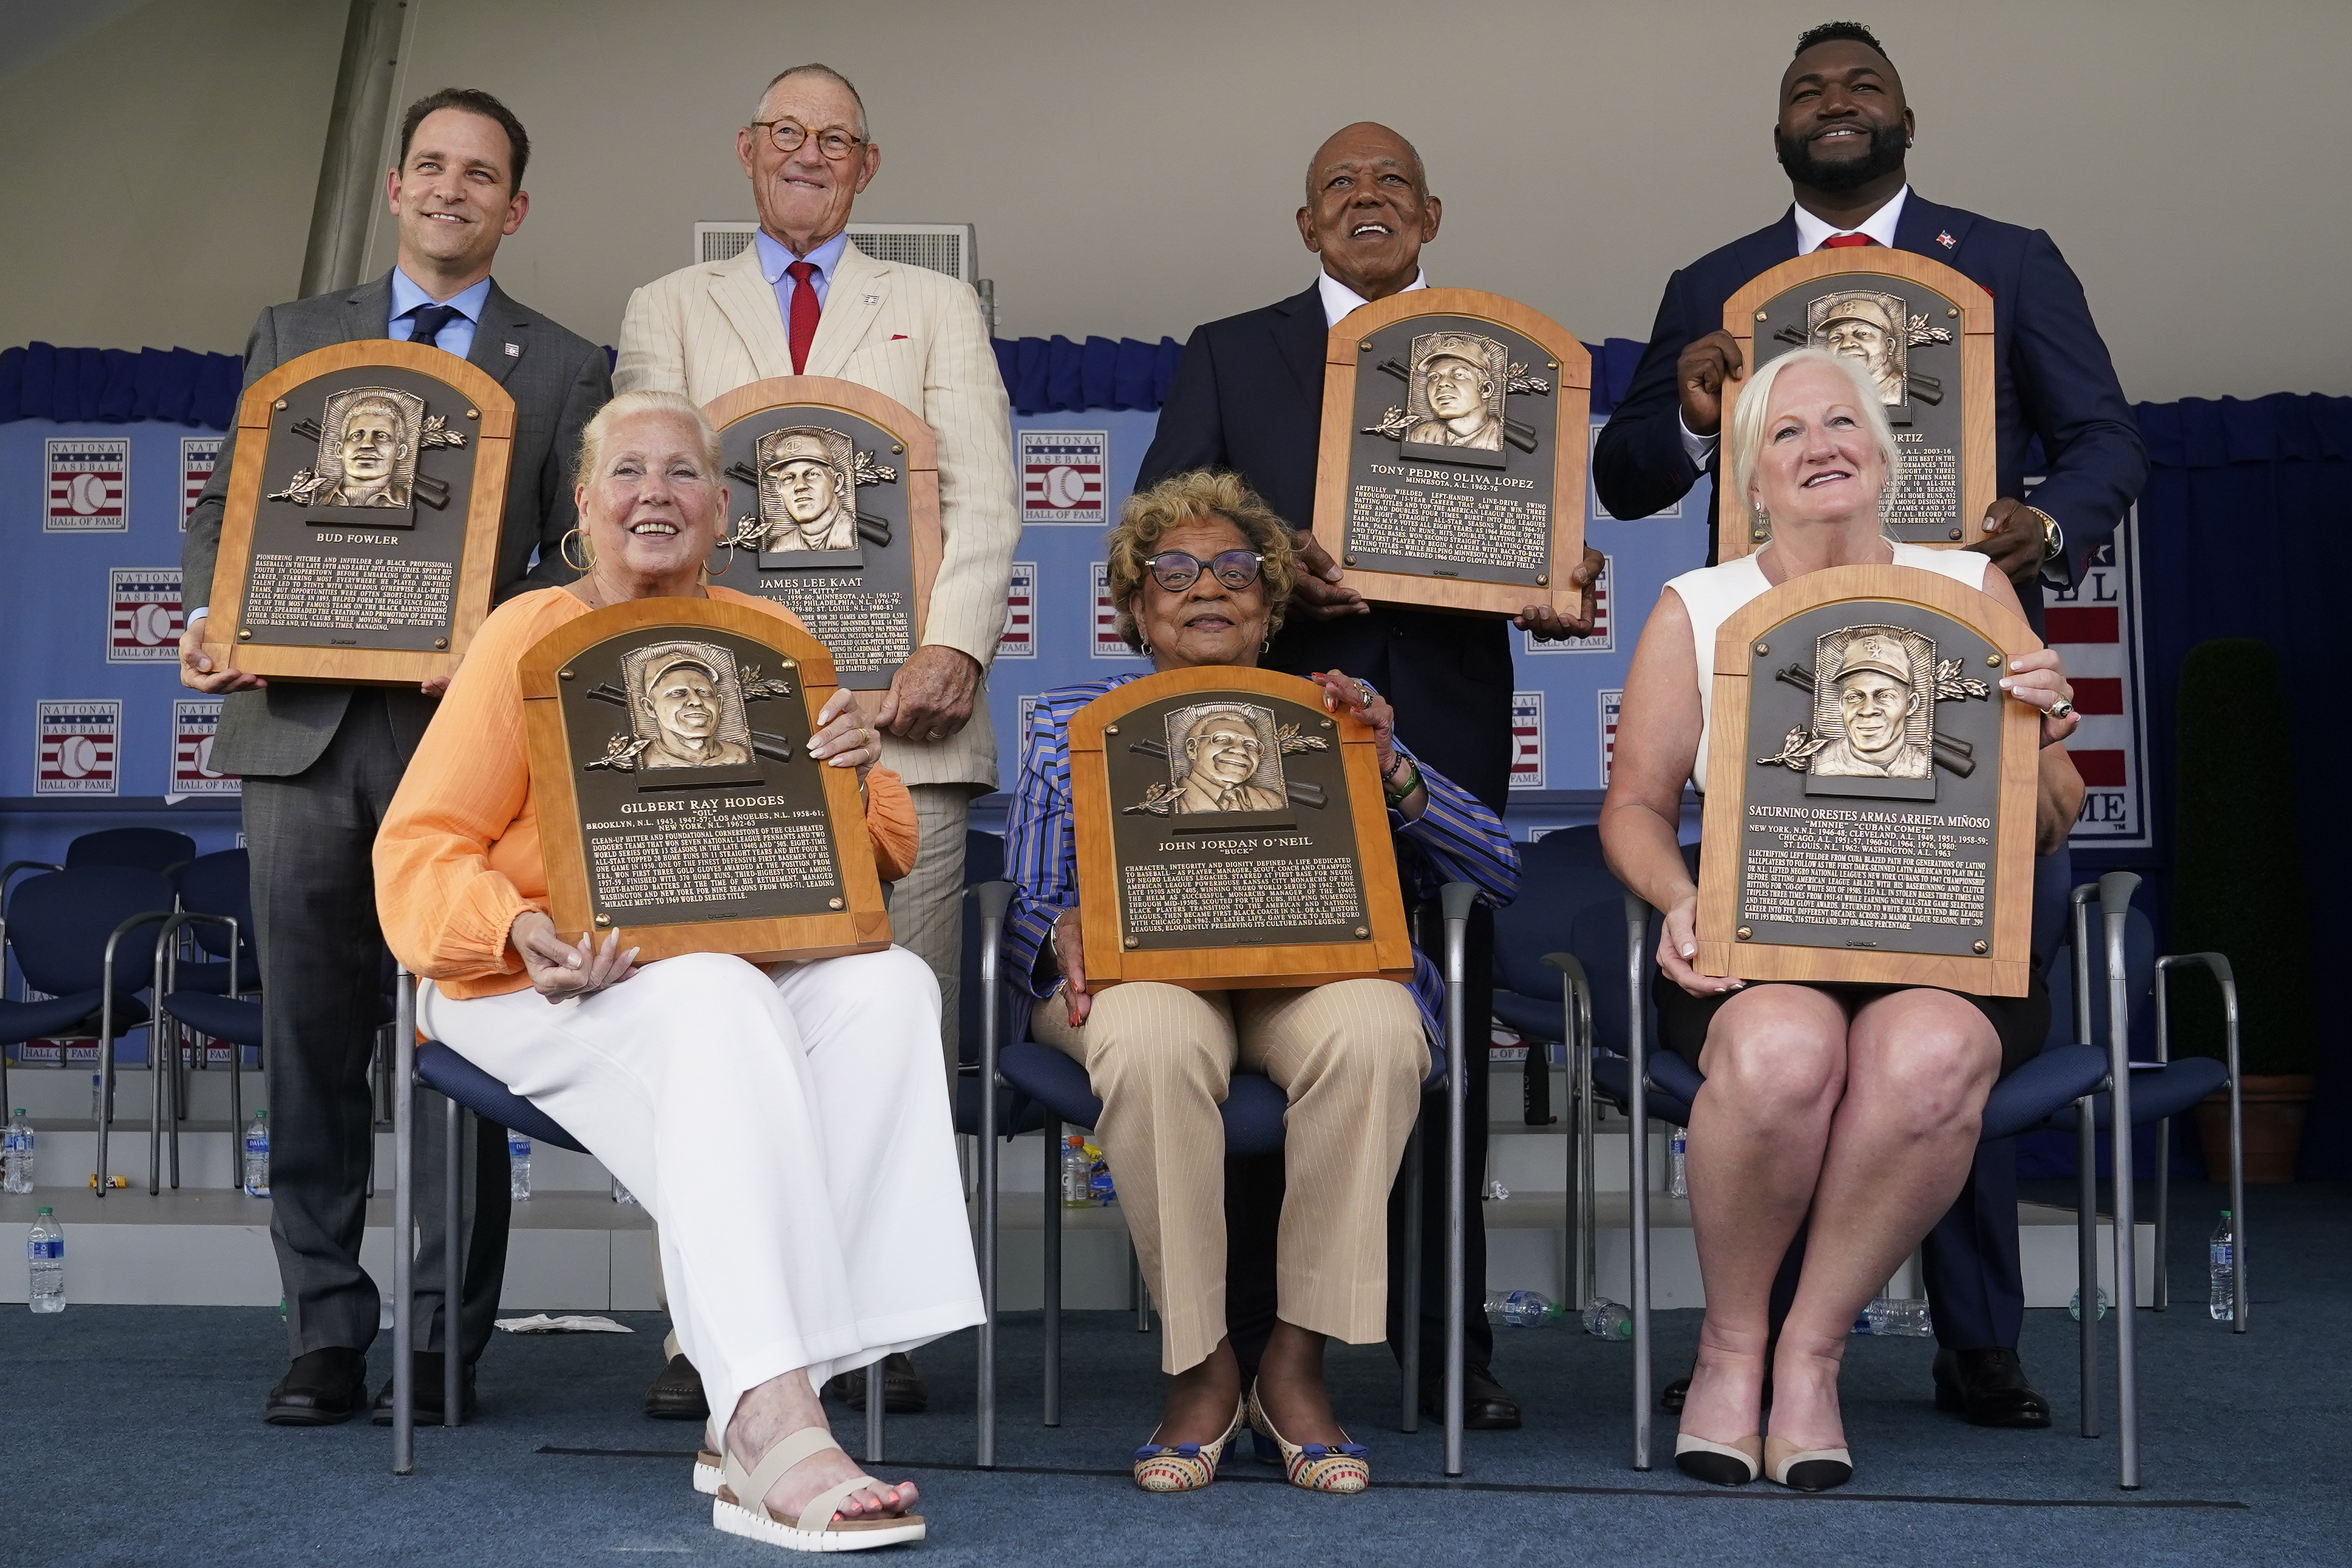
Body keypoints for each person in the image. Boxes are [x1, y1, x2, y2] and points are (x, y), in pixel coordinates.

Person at [1591, 20, 2147, 1427]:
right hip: (1781, 729)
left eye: (1860, 85)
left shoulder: (2006, 259)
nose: (1832, 104)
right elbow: (1624, 472)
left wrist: (2041, 528)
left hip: (1961, 678)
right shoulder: (1711, 286)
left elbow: (2107, 444)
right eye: (1805, 89)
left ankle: (1970, 1343)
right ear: (1776, 125)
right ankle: (1757, 1341)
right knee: (1792, 1028)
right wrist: (1699, 418)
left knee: (1934, 1019)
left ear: (1908, 116)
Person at [376, 389, 981, 1551]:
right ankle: (771, 1412)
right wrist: (512, 930)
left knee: (889, 987)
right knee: (720, 994)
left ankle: (749, 1398)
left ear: (720, 510)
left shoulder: (768, 639)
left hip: (722, 961)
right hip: (536, 974)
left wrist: (856, 771)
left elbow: (880, 846)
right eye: (627, 472)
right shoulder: (524, 634)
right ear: (584, 504)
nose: (654, 492)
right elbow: (419, 850)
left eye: (683, 474)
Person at [1136, 119, 1600, 1432]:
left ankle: (1448, 1349)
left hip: (1440, 728)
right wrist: (1276, 552)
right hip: (1264, 722)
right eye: (1339, 185)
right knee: (1244, 995)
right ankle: (1232, 1347)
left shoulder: (1506, 359)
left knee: (1436, 1012)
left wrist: (1559, 582)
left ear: (1431, 214)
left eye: (1389, 183)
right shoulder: (1232, 349)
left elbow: (1534, 537)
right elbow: (1170, 517)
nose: (1365, 199)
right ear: (1304, 225)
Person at [179, 87, 612, 1429]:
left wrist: (482, 633)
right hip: (299, 740)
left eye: (480, 175)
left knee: (461, 1049)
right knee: (310, 1053)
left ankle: (440, 1343)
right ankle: (324, 1332)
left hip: (466, 758)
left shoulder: (563, 363)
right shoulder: (294, 335)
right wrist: (215, 614)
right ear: (395, 187)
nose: (451, 189)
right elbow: (225, 510)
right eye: (430, 165)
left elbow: (574, 555)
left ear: (513, 207)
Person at [1601, 347, 2081, 1492]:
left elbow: (2052, 822)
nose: (1817, 445)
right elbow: (1631, 807)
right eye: (1781, 431)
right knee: (1780, 1051)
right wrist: (1676, 899)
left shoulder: (1968, 587)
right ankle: (1729, 1348)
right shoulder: (1699, 605)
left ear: (1880, 452)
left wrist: (2047, 731)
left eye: (1840, 423)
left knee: (1925, 1058)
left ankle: (1809, 1356)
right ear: (1749, 479)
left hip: (1944, 945)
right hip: (1763, 936)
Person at [616, 64, 1018, 1419]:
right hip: (704, 741)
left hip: (902, 730)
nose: (806, 154)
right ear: (745, 153)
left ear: (868, 165)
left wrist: (952, 641)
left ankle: (873, 1322)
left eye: (832, 139)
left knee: (891, 1032)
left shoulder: (936, 305)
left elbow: (983, 495)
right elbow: (641, 510)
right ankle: (705, 1332)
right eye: (783, 134)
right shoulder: (665, 309)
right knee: (713, 1033)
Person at [1002, 470, 1520, 1493]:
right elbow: (1023, 896)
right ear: (1134, 606)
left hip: (1305, 971)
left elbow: (1495, 867)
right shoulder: (1072, 724)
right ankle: (1199, 1367)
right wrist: (1057, 918)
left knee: (1376, 1029)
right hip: (1139, 973)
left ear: (1269, 605)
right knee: (1148, 1042)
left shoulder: (1331, 717)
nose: (1207, 586)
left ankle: (1295, 1359)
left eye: (1235, 569)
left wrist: (1388, 762)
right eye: (1175, 570)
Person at [638, 651, 754, 770]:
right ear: (650, 707)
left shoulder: (743, 755)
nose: (697, 701)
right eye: (677, 693)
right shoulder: (645, 760)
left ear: (719, 704)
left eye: (704, 692)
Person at [758, 432, 858, 552]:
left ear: (837, 482)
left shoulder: (851, 535)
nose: (799, 486)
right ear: (778, 488)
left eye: (812, 474)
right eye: (788, 478)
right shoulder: (780, 547)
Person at [1172, 710, 1283, 813]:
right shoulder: (1171, 802)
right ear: (1192, 748)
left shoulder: (1273, 801)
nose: (1241, 750)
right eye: (1223, 739)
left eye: (1250, 745)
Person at [1403, 339, 1504, 451]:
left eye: (1459, 375)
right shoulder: (1421, 435)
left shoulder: (1499, 439)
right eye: (1434, 377)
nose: (1442, 383)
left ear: (1486, 389)